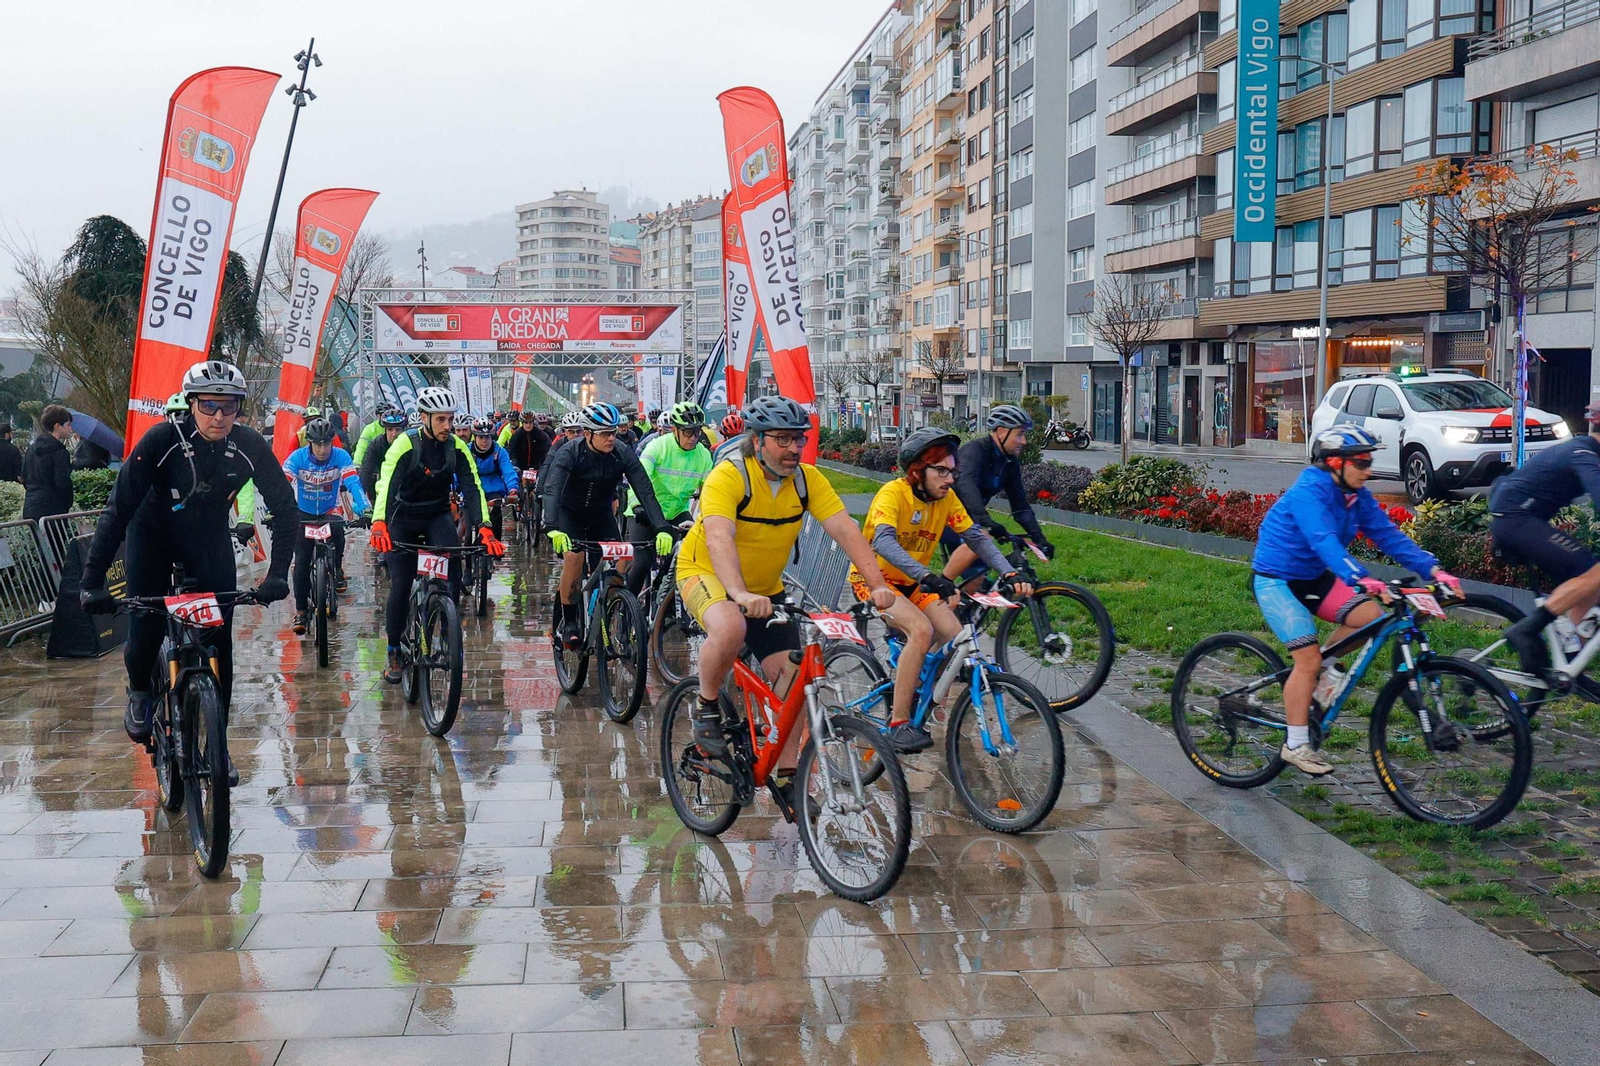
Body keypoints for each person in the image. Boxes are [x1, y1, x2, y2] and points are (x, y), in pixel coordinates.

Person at [79, 361, 296, 782]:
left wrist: (278, 574)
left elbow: (286, 510)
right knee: (145, 633)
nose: (219, 416)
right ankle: (141, 689)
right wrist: (91, 582)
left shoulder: (248, 444)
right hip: (152, 538)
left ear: (239, 408)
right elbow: (116, 513)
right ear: (191, 404)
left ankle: (218, 745)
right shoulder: (162, 440)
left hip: (207, 541)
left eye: (228, 406)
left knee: (219, 647)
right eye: (209, 405)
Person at [677, 395, 897, 758]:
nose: (794, 447)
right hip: (706, 573)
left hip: (765, 588)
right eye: (783, 439)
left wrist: (878, 585)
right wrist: (738, 593)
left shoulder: (807, 480)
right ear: (758, 440)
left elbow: (845, 530)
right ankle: (707, 705)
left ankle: (787, 773)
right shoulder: (730, 475)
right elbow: (718, 537)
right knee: (731, 627)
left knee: (794, 683)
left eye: (799, 439)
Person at [1252, 426, 1460, 775]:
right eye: (1362, 462)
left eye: (1370, 461)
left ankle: (1321, 675)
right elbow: (1322, 540)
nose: (1369, 469)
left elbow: (1388, 536)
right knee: (1306, 660)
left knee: (1369, 618)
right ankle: (1296, 744)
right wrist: (1360, 578)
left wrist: (1434, 570)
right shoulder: (1309, 491)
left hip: (1315, 577)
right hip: (1277, 580)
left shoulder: (1355, 495)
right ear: (1335, 462)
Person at [851, 427, 1032, 753]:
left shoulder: (946, 499)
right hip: (875, 581)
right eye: (942, 471)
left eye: (953, 471)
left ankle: (919, 682)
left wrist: (1009, 571)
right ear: (918, 471)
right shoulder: (893, 494)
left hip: (912, 583)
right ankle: (899, 724)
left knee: (953, 632)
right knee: (920, 630)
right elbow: (883, 541)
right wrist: (930, 576)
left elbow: (976, 537)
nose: (950, 478)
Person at [369, 387, 505, 684]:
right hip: (401, 517)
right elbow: (387, 484)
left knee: (452, 565)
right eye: (441, 419)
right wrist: (378, 523)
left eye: (451, 419)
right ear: (424, 418)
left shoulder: (457, 447)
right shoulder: (405, 444)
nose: (448, 426)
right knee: (401, 584)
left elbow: (473, 488)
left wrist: (484, 527)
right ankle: (394, 649)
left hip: (437, 515)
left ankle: (447, 629)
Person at [541, 402, 672, 646]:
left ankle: (611, 603)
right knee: (574, 558)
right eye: (605, 434)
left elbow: (644, 490)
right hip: (569, 514)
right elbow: (552, 488)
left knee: (625, 556)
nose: (612, 437)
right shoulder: (570, 451)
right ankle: (569, 621)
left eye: (613, 432)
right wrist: (551, 527)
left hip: (601, 514)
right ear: (588, 434)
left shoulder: (621, 452)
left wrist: (661, 527)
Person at [1490, 402, 1600, 669]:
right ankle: (1527, 629)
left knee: (1589, 580)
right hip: (1516, 519)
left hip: (1521, 517)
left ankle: (1570, 664)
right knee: (1594, 572)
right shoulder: (1583, 453)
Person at [939, 405, 1054, 586]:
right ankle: (943, 590)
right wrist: (987, 523)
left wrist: (1039, 538)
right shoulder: (974, 452)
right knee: (981, 542)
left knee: (978, 581)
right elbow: (967, 489)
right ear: (1001, 432)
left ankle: (966, 608)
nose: (1023, 441)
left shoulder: (1009, 462)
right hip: (945, 518)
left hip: (970, 519)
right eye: (1019, 434)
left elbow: (1020, 506)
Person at [284, 417, 370, 630]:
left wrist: (364, 506)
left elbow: (352, 482)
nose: (323, 449)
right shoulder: (297, 458)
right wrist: (272, 509)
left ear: (332, 442)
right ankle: (301, 610)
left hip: (329, 510)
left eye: (326, 444)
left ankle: (337, 568)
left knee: (338, 530)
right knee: (301, 564)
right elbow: (282, 483)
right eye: (318, 444)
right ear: (309, 443)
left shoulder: (341, 456)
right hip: (303, 512)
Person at [625, 402, 712, 596]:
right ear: (674, 429)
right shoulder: (657, 446)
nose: (693, 438)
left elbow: (709, 492)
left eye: (697, 432)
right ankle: (625, 609)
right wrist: (637, 504)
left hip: (677, 511)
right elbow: (638, 479)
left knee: (691, 559)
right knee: (643, 563)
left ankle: (668, 604)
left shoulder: (704, 455)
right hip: (646, 510)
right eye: (688, 432)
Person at [22, 404, 76, 521]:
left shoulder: (31, 449)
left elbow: (24, 477)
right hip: (53, 508)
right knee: (56, 539)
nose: (70, 429)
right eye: (68, 425)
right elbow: (63, 482)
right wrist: (67, 503)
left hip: (30, 506)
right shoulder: (60, 452)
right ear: (57, 426)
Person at [468, 417, 519, 542]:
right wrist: (454, 490)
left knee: (496, 514)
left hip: (493, 489)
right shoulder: (467, 451)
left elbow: (508, 470)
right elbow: (458, 473)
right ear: (475, 437)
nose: (484, 441)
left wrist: (513, 489)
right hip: (472, 489)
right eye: (481, 437)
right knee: (467, 523)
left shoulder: (499, 452)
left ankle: (496, 545)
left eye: (487, 437)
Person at [352, 402, 399, 466]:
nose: (387, 418)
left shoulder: (398, 428)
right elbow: (361, 449)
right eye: (384, 415)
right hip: (374, 463)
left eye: (390, 416)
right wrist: (357, 465)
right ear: (378, 416)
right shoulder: (369, 429)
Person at [506, 410, 552, 475]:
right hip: (520, 468)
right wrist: (515, 465)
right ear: (522, 423)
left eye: (530, 422)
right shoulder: (517, 435)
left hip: (537, 468)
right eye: (526, 423)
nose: (528, 425)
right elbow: (512, 451)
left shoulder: (541, 434)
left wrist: (543, 465)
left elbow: (548, 449)